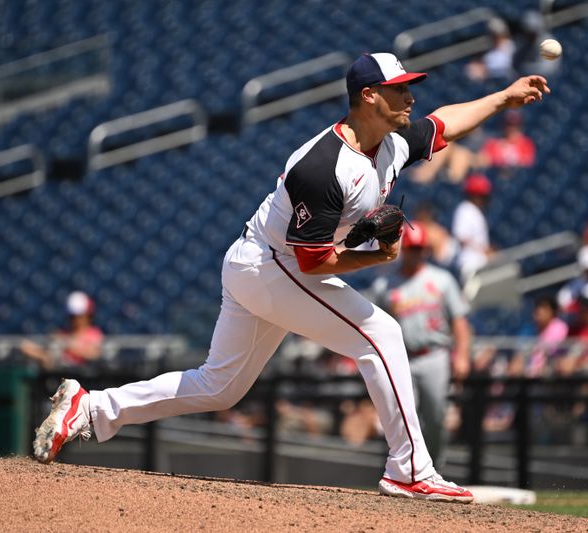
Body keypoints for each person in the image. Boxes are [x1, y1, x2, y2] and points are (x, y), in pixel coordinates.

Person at [33, 51, 550, 503]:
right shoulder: (322, 167)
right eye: (400, 90)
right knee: (382, 334)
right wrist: (376, 258)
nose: (410, 97)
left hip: (262, 264)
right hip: (269, 265)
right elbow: (314, 264)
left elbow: (445, 124)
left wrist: (502, 97)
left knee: (220, 387)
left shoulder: (391, 140)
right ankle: (411, 470)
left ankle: (89, 408)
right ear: (369, 96)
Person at [374, 222, 472, 469]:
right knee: (403, 416)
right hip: (401, 358)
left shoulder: (442, 280)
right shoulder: (386, 285)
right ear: (402, 249)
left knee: (436, 417)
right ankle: (405, 470)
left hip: (433, 355)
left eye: (419, 248)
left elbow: (459, 322)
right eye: (410, 248)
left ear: (426, 250)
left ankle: (435, 468)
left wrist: (462, 355)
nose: (415, 253)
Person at [20, 291, 104, 369]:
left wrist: (66, 343)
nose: (76, 320)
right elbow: (49, 357)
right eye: (73, 316)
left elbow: (95, 355)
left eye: (80, 316)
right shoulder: (64, 334)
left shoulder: (94, 333)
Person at [509, 295, 568, 378]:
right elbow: (520, 352)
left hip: (549, 369)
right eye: (538, 308)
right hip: (527, 372)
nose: (539, 311)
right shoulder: (529, 329)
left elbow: (550, 353)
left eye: (544, 308)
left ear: (552, 312)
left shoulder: (559, 327)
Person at [452, 173, 494, 280]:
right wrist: (483, 250)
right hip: (469, 263)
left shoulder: (475, 211)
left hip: (479, 263)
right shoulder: (465, 209)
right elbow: (461, 237)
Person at [477, 111, 536, 179]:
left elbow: (528, 163)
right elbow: (484, 160)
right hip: (496, 179)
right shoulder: (493, 143)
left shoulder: (526, 144)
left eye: (515, 125)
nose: (512, 128)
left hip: (517, 179)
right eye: (509, 125)